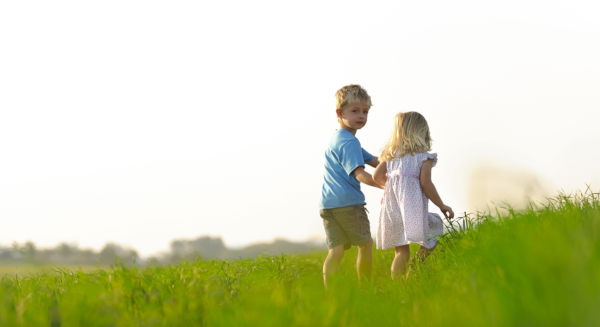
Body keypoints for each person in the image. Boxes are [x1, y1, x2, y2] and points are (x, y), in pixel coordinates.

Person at [373, 111, 454, 280]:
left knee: (401, 252)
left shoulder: (390, 156)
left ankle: (397, 287)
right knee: (435, 227)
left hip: (391, 210)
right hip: (412, 210)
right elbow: (426, 183)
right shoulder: (424, 158)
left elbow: (376, 177)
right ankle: (417, 264)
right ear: (422, 132)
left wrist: (391, 190)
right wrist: (442, 205)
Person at [320, 84, 382, 288]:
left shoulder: (339, 139)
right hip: (348, 204)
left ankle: (331, 295)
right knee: (365, 244)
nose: (361, 116)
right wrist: (385, 185)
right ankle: (365, 288)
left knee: (335, 251)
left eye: (365, 111)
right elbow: (360, 174)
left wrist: (397, 163)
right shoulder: (349, 143)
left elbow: (374, 160)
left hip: (328, 205)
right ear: (339, 112)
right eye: (355, 111)